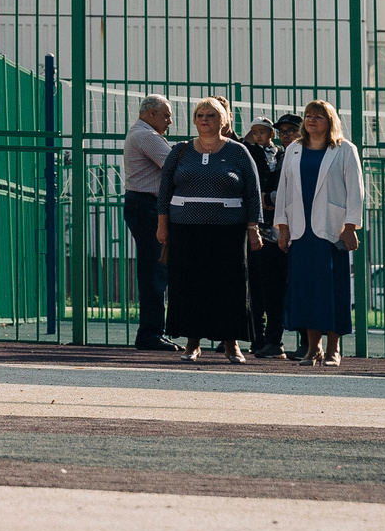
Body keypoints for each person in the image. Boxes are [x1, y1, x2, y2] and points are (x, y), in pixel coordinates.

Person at [157, 95, 262, 363]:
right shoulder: (180, 150)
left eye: (211, 115)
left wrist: (253, 228)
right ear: (194, 121)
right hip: (186, 230)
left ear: (223, 120)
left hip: (228, 231)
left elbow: (252, 191)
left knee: (229, 286)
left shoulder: (238, 151)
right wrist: (162, 225)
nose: (205, 119)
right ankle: (193, 343)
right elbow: (164, 190)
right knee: (190, 285)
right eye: (200, 115)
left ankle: (232, 344)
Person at [274, 97, 363, 367]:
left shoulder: (345, 149)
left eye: (319, 116)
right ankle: (314, 349)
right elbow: (285, 190)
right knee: (306, 291)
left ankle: (334, 349)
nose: (312, 120)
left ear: (330, 122)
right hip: (301, 232)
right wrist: (283, 226)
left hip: (332, 231)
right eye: (309, 115)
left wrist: (350, 226)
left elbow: (356, 190)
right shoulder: (294, 150)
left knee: (333, 290)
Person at [122, 96, 174, 350]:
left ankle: (154, 331)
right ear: (152, 113)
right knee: (155, 271)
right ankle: (151, 333)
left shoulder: (140, 133)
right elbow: (174, 164)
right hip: (147, 207)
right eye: (166, 115)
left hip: (142, 205)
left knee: (156, 269)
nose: (170, 121)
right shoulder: (147, 136)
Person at [242, 118, 289, 360]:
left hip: (287, 225)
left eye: (264, 132)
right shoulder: (249, 152)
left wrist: (269, 198)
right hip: (260, 224)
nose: (259, 136)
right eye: (255, 133)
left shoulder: (284, 154)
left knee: (284, 285)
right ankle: (260, 337)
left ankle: (303, 340)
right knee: (260, 285)